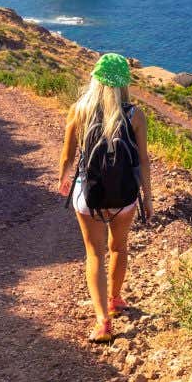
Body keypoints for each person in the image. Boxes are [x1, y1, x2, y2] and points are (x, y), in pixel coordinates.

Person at [58, 53, 154, 343]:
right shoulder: (135, 115)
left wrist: (63, 181)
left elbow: (67, 156)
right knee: (119, 248)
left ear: (95, 79)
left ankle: (102, 321)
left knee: (95, 254)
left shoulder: (79, 109)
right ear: (124, 83)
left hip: (89, 196)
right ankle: (114, 298)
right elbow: (143, 160)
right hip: (125, 196)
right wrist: (147, 197)